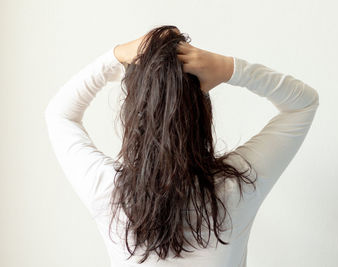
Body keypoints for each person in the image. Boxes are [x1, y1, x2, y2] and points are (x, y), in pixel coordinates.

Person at [44, 25, 319, 267]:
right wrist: (229, 68)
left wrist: (113, 56)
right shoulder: (237, 187)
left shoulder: (108, 192)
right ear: (201, 108)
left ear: (133, 108)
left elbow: (59, 114)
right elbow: (303, 104)